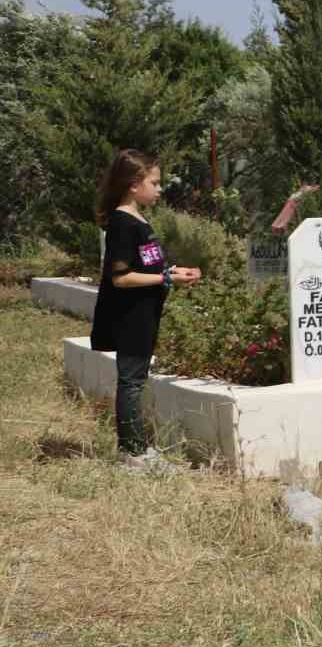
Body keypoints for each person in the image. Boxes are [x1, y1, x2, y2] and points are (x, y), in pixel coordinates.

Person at [89, 149, 202, 465]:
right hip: (130, 317)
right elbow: (121, 278)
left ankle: (135, 447)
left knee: (136, 379)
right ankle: (132, 451)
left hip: (145, 313)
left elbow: (147, 266)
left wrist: (173, 273)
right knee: (132, 382)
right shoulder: (123, 223)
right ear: (133, 185)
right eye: (154, 182)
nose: (159, 188)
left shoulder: (138, 219)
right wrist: (164, 277)